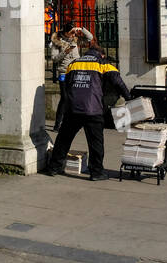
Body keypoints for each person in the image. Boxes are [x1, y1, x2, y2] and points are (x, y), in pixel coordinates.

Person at [44, 32, 129, 181]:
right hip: (93, 109)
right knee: (95, 142)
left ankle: (54, 168)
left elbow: (68, 83)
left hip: (73, 108)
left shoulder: (74, 64)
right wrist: (129, 98)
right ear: (101, 55)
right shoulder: (103, 64)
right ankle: (96, 172)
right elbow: (118, 82)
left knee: (64, 139)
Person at [49, 24, 82, 132]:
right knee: (65, 98)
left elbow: (90, 38)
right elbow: (54, 59)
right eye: (71, 32)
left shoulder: (75, 40)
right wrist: (65, 52)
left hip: (76, 72)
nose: (73, 34)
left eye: (74, 32)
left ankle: (72, 123)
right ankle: (57, 124)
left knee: (75, 97)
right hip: (64, 72)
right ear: (65, 32)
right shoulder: (57, 42)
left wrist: (81, 30)